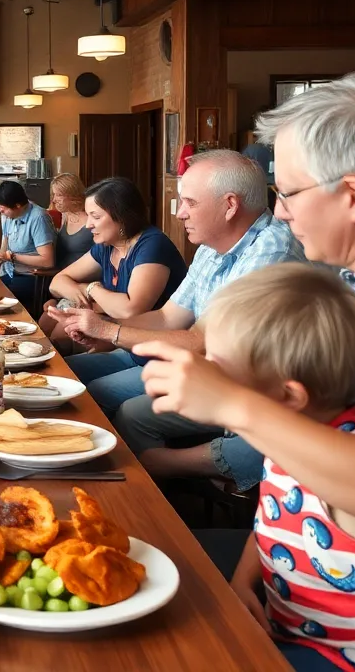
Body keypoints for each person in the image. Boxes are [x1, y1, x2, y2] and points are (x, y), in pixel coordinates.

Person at [135, 70, 355, 630]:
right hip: (289, 568)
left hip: (345, 623)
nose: (279, 212)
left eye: (288, 192)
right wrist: (249, 572)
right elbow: (299, 465)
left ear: (352, 195)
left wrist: (231, 402)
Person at [193, 263, 355, 672]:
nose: (204, 378)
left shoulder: (347, 457)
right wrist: (243, 579)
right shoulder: (286, 434)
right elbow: (273, 520)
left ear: (288, 396)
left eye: (219, 372)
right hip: (291, 631)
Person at [49, 150, 303, 493]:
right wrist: (109, 334)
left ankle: (165, 502)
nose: (179, 212)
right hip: (207, 371)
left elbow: (202, 341)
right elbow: (170, 316)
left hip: (245, 387)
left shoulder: (271, 248)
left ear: (229, 205)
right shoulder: (212, 247)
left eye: (189, 202)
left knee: (127, 413)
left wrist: (111, 330)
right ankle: (163, 494)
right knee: (111, 403)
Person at [38, 177, 186, 353]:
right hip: (125, 346)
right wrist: (87, 292)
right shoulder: (107, 246)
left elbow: (130, 310)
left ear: (121, 217)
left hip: (154, 354)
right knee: (52, 348)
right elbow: (57, 283)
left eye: (96, 216)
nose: (88, 225)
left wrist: (92, 289)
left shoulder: (152, 245)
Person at [0, 180, 56, 312]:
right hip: (9, 272)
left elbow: (48, 260)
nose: (1, 212)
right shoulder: (7, 215)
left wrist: (12, 257)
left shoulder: (38, 218)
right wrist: (1, 255)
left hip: (32, 277)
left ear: (18, 206)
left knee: (0, 303)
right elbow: (6, 239)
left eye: (3, 209)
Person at [49, 173, 92, 273]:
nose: (54, 200)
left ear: (72, 195)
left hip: (83, 277)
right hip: (59, 275)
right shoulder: (65, 215)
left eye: (59, 195)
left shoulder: (91, 217)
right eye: (54, 194)